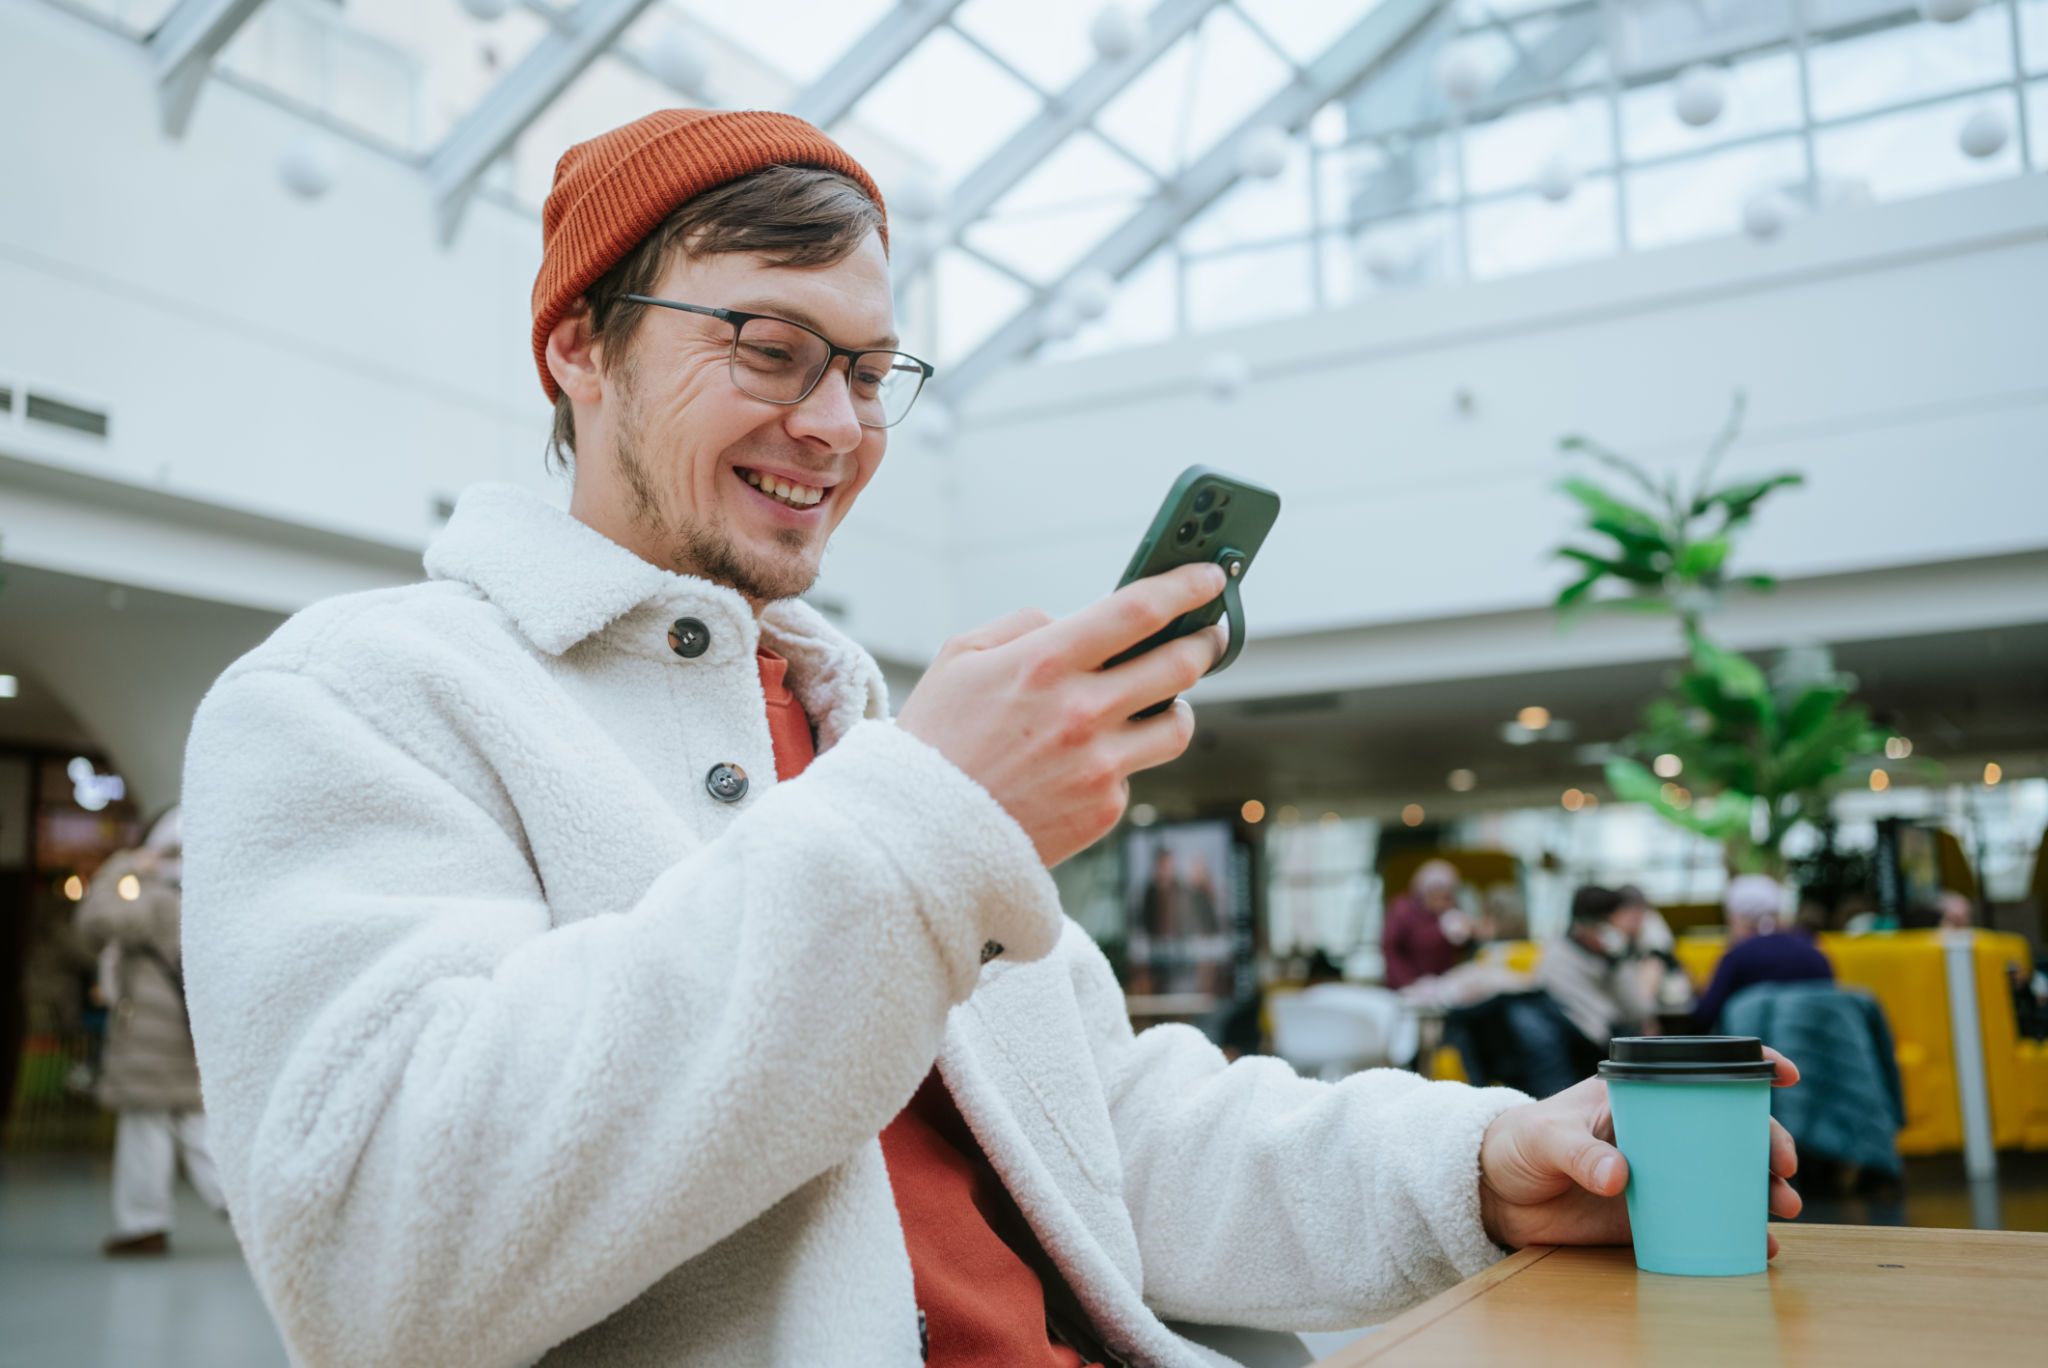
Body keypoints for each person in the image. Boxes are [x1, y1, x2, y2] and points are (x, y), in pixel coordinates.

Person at [182, 109, 1801, 1367]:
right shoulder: (354, 696)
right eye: (767, 346)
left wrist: (1467, 1163)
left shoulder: (847, 715)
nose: (833, 425)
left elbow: (1094, 1123)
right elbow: (384, 1250)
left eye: (871, 370)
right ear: (576, 346)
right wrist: (922, 819)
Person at [73, 809, 227, 1255]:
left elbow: (95, 922)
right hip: (186, 1032)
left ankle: (144, 1224)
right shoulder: (205, 899)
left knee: (147, 1126)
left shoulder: (154, 898)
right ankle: (242, 1205)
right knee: (196, 1126)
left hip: (150, 1037)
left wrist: (121, 867)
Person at [1692, 874, 1835, 1031]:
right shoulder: (1814, 952)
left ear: (1739, 919)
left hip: (1755, 1052)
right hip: (1814, 1050)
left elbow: (1704, 1016)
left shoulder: (1738, 957)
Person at [1536, 886, 1658, 1051]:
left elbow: (1638, 1010)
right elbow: (1598, 1029)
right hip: (1584, 1048)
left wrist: (1617, 962)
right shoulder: (1559, 960)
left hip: (1602, 1042)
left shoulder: (1606, 955)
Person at [1381, 858, 1475, 989]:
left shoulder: (1452, 911)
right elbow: (1391, 950)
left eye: (1448, 897)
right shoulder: (1402, 911)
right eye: (1437, 897)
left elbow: (1461, 948)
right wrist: (1408, 983)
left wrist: (1467, 935)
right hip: (1407, 985)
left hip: (1441, 985)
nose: (1443, 903)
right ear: (1423, 893)